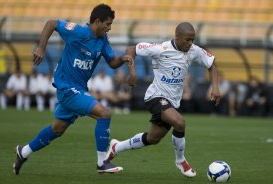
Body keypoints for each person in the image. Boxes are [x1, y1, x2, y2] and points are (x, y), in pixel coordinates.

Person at [13, 3, 135, 175]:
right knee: (104, 113)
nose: (109, 28)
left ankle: (23, 152)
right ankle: (102, 162)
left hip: (79, 88)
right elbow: (51, 23)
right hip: (66, 87)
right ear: (98, 21)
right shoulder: (77, 31)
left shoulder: (102, 40)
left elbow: (112, 62)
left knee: (57, 129)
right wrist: (41, 47)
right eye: (107, 24)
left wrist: (123, 59)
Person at [106, 22, 220, 177]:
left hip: (172, 102)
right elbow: (131, 49)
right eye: (187, 39)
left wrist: (215, 87)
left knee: (153, 138)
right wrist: (132, 73)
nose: (190, 43)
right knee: (179, 123)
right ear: (177, 37)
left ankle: (116, 147)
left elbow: (212, 64)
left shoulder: (194, 50)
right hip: (155, 96)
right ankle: (180, 161)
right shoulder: (160, 49)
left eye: (192, 39)